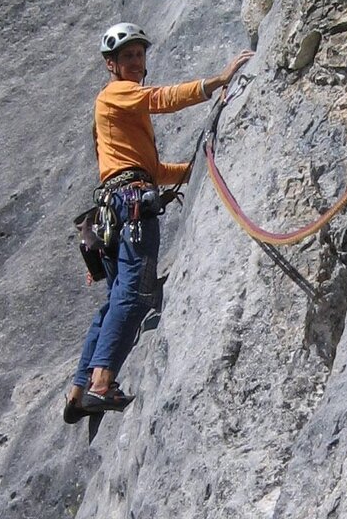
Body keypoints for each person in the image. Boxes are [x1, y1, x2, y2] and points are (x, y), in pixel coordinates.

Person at [65, 22, 253, 423]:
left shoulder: (117, 109)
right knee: (133, 293)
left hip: (116, 206)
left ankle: (78, 389)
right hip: (129, 207)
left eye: (139, 55)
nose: (136, 62)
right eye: (127, 57)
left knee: (115, 298)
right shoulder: (118, 94)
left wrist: (193, 169)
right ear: (110, 65)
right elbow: (162, 97)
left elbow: (150, 168)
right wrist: (215, 82)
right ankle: (102, 384)